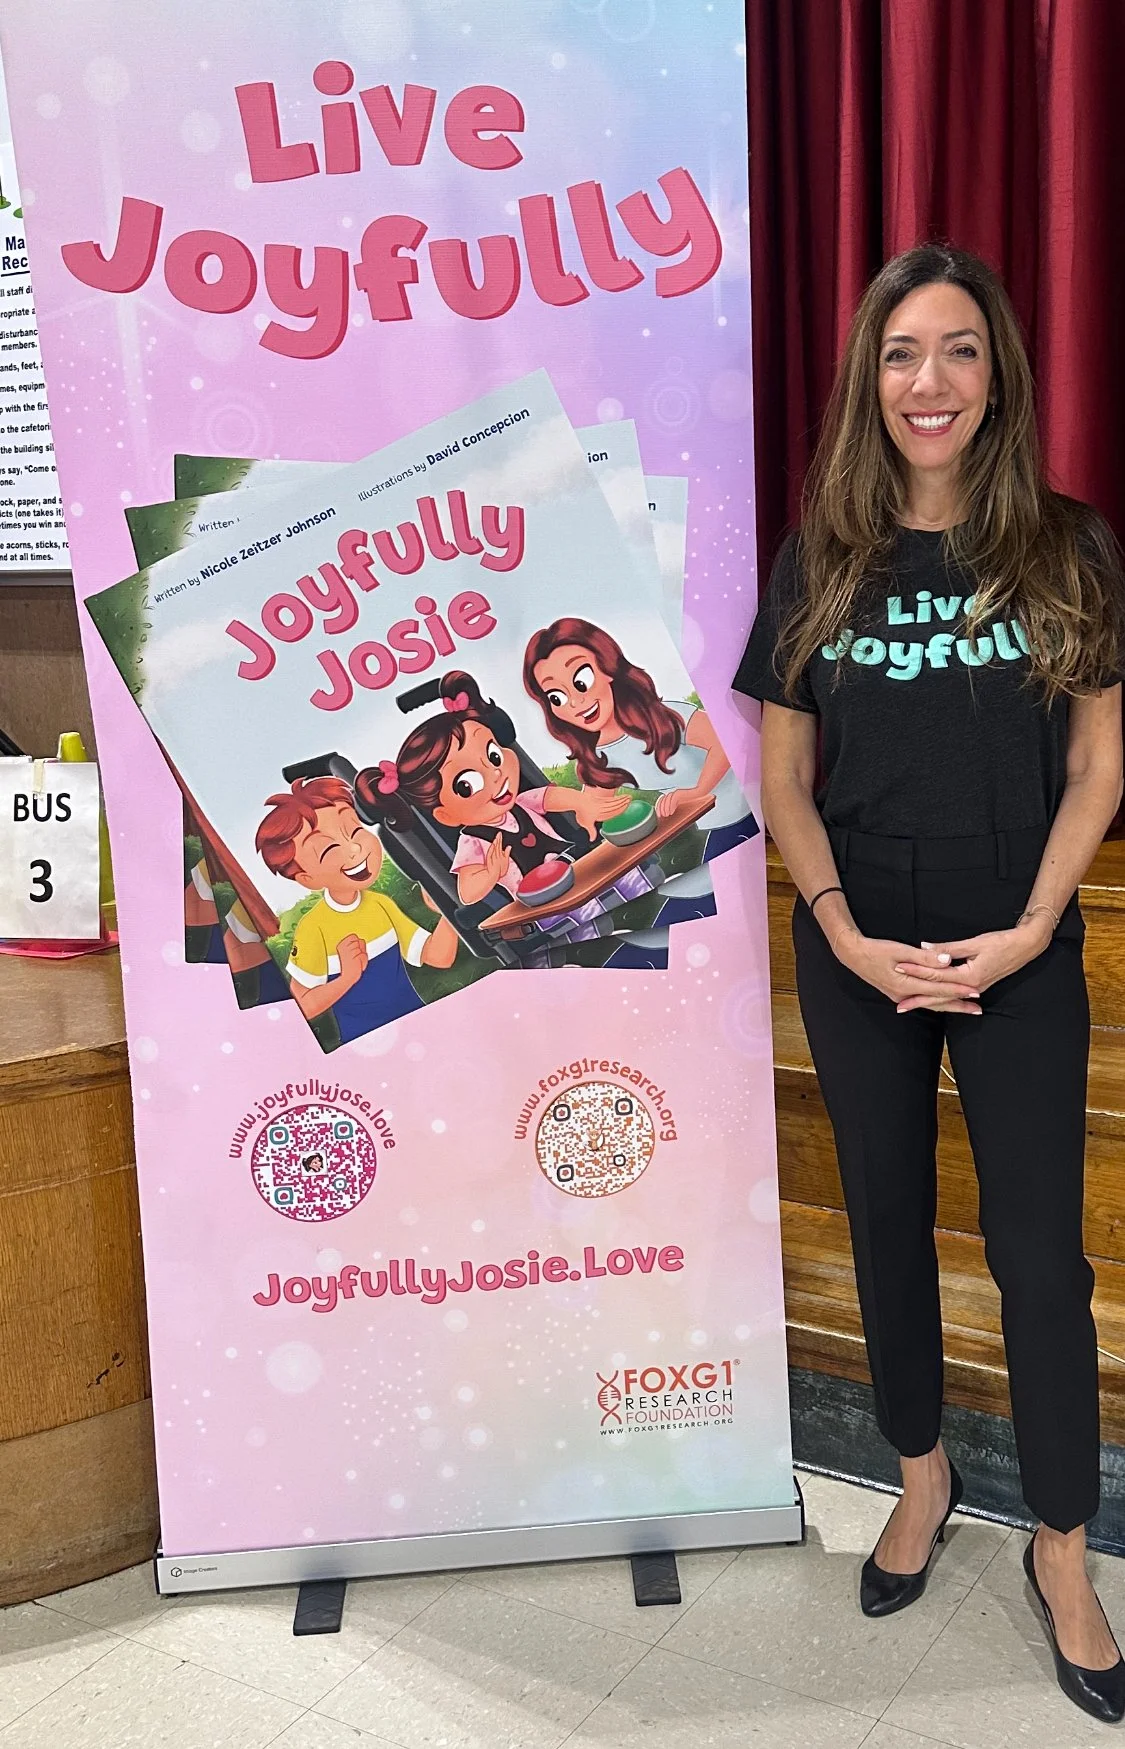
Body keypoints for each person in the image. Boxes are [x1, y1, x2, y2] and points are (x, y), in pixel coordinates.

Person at [734, 243, 1125, 1724]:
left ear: (996, 376)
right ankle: (920, 1477)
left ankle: (1065, 1549)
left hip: (1018, 943)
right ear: (868, 381)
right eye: (902, 354)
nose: (930, 382)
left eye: (958, 351)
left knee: (1041, 1263)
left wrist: (1030, 927)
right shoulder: (820, 555)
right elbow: (785, 773)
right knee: (886, 1223)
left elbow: (1097, 763)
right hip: (860, 947)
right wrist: (837, 930)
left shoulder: (1068, 548)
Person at [523, 616, 755, 858]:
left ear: (607, 668)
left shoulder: (662, 716)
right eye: (556, 697)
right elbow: (594, 806)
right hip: (699, 829)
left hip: (744, 813)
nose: (575, 702)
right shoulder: (599, 756)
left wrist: (698, 791)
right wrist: (584, 813)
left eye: (582, 681)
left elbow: (724, 741)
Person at [255, 775, 458, 1045]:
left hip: (424, 1026)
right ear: (307, 878)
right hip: (366, 1043)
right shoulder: (314, 928)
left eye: (354, 829)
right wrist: (347, 978)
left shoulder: (380, 904)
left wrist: (445, 911)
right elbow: (304, 1006)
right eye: (328, 849)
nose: (353, 848)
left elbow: (438, 957)